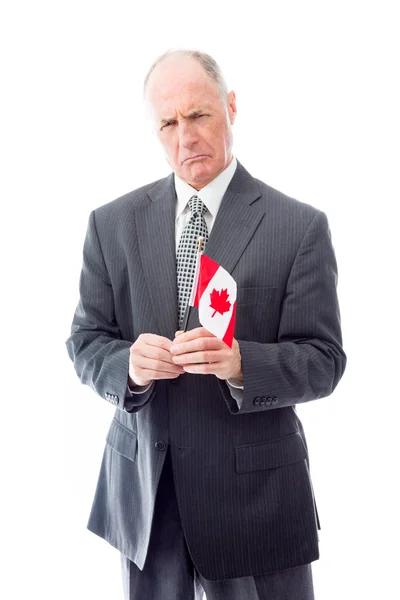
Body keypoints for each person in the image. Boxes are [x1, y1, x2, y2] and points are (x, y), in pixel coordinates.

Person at [66, 49, 346, 600]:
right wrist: (129, 367)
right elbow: (85, 341)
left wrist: (245, 363)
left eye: (199, 115)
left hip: (257, 499)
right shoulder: (110, 225)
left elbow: (325, 360)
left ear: (231, 107)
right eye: (168, 123)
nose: (185, 137)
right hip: (148, 498)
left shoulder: (299, 227)